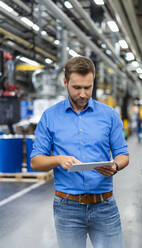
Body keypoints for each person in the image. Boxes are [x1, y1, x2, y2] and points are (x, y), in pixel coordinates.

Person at [30, 56, 129, 248]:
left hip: (104, 206)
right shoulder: (50, 117)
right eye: (76, 88)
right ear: (65, 82)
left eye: (88, 87)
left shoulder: (109, 115)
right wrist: (58, 159)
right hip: (67, 208)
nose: (83, 94)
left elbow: (123, 154)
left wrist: (116, 165)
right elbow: (35, 162)